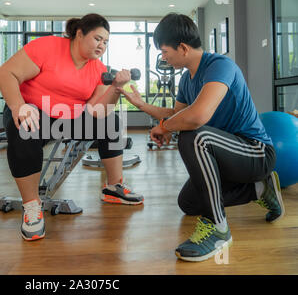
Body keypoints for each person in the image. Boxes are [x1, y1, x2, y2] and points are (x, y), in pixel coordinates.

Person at [119, 13, 284, 262]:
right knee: (189, 203)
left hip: (255, 152)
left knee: (194, 136)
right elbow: (177, 114)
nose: (163, 57)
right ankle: (260, 189)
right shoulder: (187, 78)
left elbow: (195, 117)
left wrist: (166, 126)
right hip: (227, 157)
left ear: (183, 48)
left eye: (164, 51)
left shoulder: (220, 66)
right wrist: (140, 104)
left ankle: (218, 229)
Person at [0, 13, 144, 241]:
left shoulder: (97, 69)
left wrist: (115, 88)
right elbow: (7, 73)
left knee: (112, 120)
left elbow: (98, 111)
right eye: (97, 38)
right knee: (24, 128)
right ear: (79, 33)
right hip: (32, 111)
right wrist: (18, 106)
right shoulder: (48, 47)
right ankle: (32, 206)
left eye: (106, 42)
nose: (102, 45)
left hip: (67, 119)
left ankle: (113, 187)